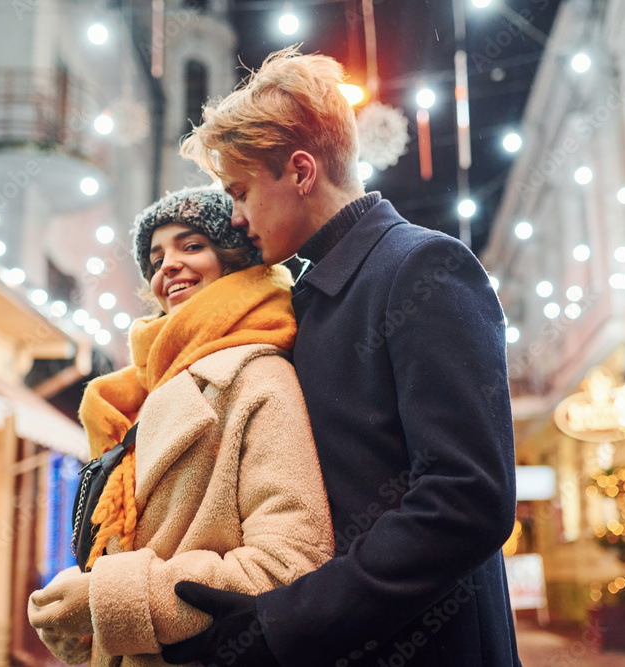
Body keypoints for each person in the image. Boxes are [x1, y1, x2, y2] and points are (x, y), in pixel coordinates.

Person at [161, 47, 520, 667]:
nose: (236, 218)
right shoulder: (305, 297)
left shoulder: (421, 267)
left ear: (301, 172)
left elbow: (467, 499)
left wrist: (287, 623)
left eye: (241, 191)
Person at [26, 185, 334, 667]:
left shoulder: (256, 377)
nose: (167, 265)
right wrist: (87, 620)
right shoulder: (142, 393)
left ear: (233, 260)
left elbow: (289, 566)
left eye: (191, 246)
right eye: (155, 257)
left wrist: (104, 602)